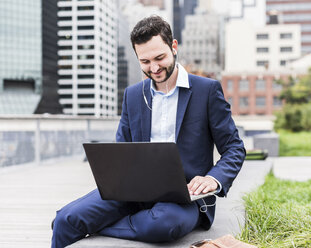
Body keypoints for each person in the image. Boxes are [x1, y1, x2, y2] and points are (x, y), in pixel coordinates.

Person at [51, 15, 245, 247]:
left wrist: (213, 179)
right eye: (144, 61)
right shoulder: (132, 95)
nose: (153, 68)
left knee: (164, 224)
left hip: (185, 198)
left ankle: (99, 226)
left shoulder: (207, 91)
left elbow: (234, 148)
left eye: (159, 58)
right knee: (64, 220)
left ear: (174, 47)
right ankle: (112, 221)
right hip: (132, 191)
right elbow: (122, 150)